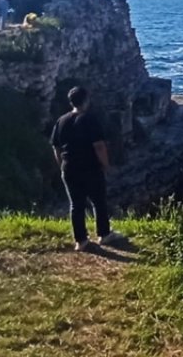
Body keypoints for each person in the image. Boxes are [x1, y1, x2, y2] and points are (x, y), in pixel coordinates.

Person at [51, 86, 125, 251]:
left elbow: (56, 147)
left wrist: (61, 165)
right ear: (86, 100)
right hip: (90, 167)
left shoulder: (61, 120)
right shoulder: (90, 120)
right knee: (98, 201)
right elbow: (99, 146)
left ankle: (81, 241)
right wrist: (106, 165)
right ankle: (104, 235)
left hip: (69, 167)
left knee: (76, 205)